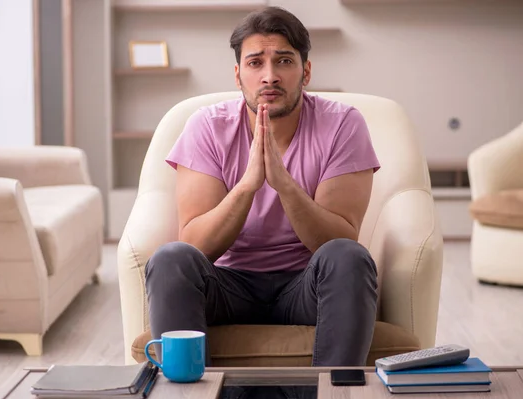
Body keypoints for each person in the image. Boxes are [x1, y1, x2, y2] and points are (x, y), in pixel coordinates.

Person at [145, 6, 380, 368]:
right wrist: (248, 186)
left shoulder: (342, 125)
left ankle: (336, 393)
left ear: (306, 71)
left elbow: (339, 240)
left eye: (284, 61)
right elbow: (194, 245)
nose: (270, 76)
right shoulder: (207, 127)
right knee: (171, 259)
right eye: (256, 63)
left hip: (306, 287)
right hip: (227, 285)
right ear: (238, 75)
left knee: (349, 257)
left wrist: (285, 185)